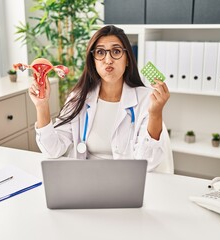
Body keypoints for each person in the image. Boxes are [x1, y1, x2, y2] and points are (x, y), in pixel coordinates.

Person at [29, 25, 172, 172]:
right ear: (94, 61)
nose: (108, 60)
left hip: (125, 181)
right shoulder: (78, 98)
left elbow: (148, 163)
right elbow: (52, 150)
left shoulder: (146, 99)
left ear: (127, 59)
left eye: (116, 51)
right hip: (86, 179)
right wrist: (42, 106)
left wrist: (155, 114)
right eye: (100, 52)